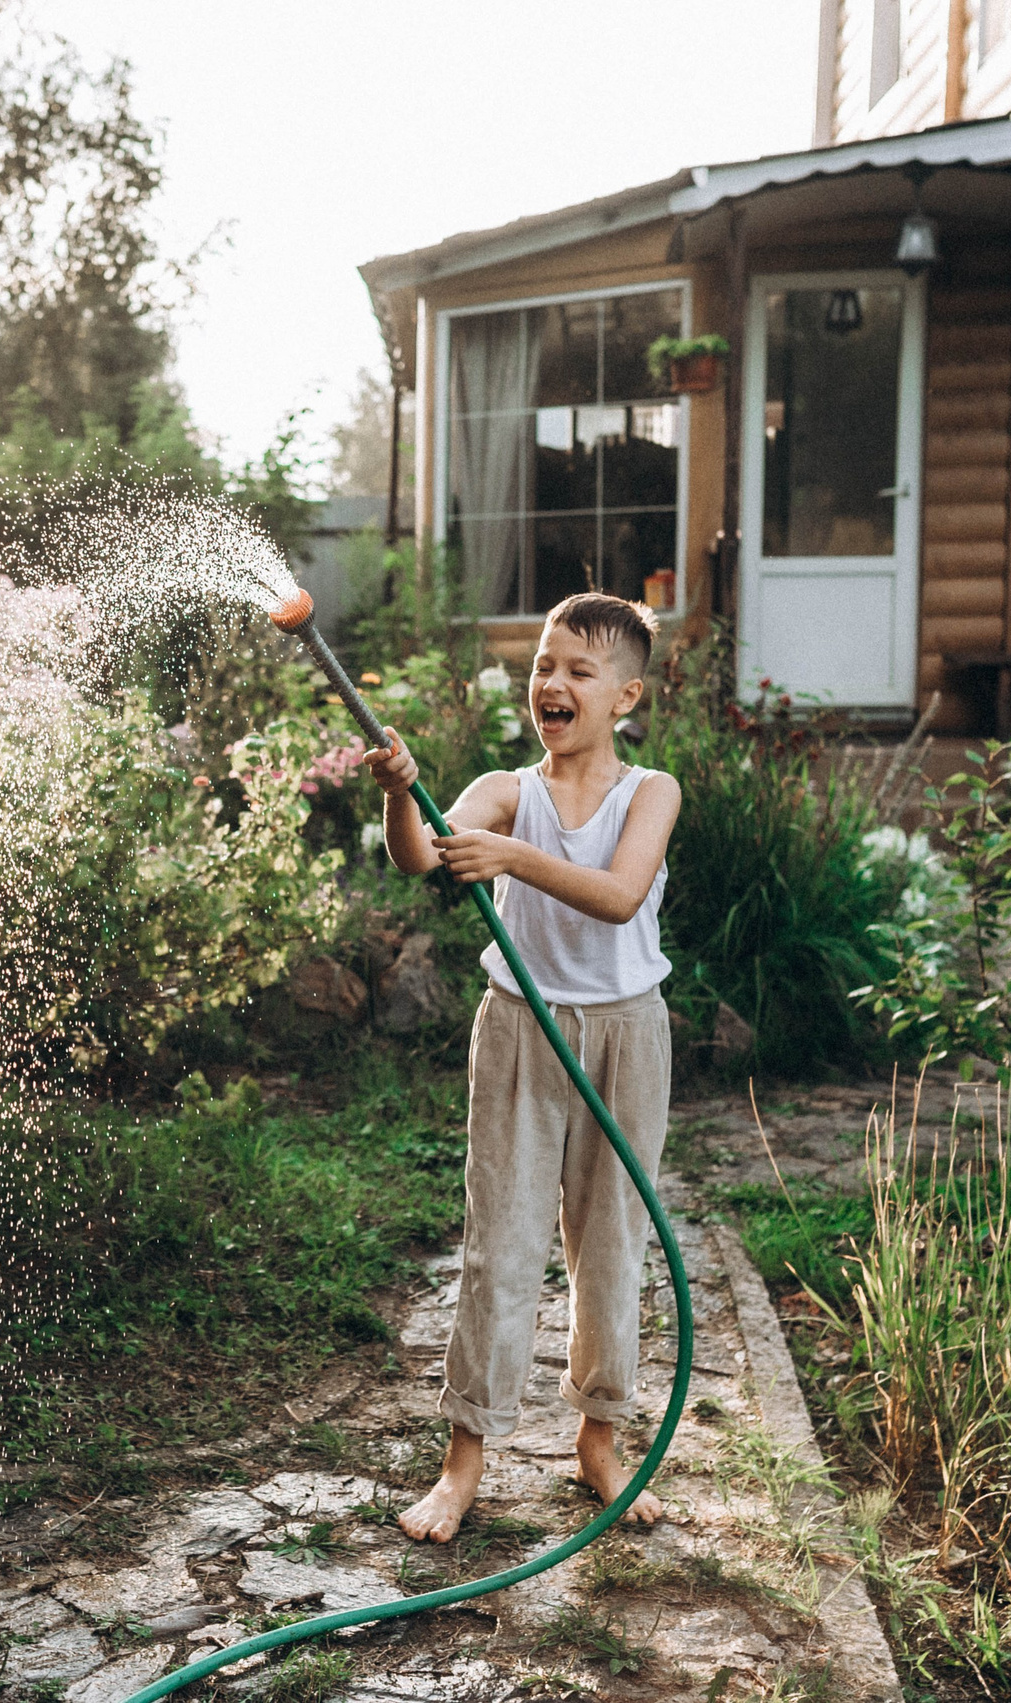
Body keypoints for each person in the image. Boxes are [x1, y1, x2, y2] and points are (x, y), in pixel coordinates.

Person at [365, 591, 682, 1543]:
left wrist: (509, 856)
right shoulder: (509, 788)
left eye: (579, 670)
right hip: (520, 1030)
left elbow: (621, 895)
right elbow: (422, 852)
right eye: (545, 665)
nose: (553, 682)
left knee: (611, 1245)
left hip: (626, 1036)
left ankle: (599, 1439)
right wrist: (398, 789)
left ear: (625, 695)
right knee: (501, 1243)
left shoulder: (650, 791)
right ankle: (464, 1464)